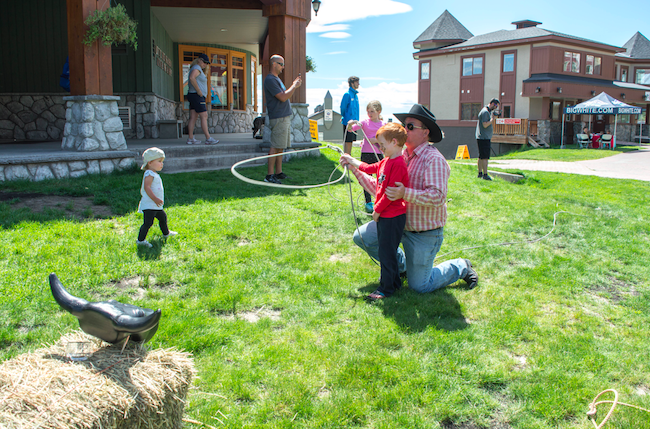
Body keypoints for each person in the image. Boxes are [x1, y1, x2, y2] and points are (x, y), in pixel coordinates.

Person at [340, 104, 478, 295]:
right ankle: (402, 267)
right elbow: (380, 188)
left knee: (420, 286)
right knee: (362, 237)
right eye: (405, 125)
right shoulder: (397, 155)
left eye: (411, 126)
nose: (405, 129)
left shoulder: (433, 159)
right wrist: (354, 167)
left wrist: (405, 193)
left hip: (423, 233)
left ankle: (461, 266)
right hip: (396, 224)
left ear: (425, 132)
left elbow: (437, 196)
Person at [341, 123, 409, 301]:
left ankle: (385, 289)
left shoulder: (399, 164)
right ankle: (394, 282)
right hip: (386, 216)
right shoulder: (386, 161)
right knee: (387, 251)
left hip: (393, 217)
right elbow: (367, 168)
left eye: (382, 144)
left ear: (394, 142)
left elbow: (390, 194)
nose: (379, 147)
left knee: (386, 252)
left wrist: (377, 211)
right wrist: (351, 160)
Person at [263, 54, 302, 184]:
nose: (283, 67)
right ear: (274, 64)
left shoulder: (276, 79)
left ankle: (278, 173)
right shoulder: (270, 80)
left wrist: (293, 87)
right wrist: (294, 86)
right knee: (275, 146)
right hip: (278, 117)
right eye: (281, 64)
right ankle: (269, 176)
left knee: (280, 146)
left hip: (283, 117)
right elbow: (283, 97)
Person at [349, 100, 386, 213]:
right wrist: (350, 123)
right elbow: (350, 129)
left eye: (372, 111)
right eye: (368, 111)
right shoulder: (364, 122)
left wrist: (375, 140)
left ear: (379, 111)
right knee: (366, 177)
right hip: (366, 153)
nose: (369, 114)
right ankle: (368, 201)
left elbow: (387, 138)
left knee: (381, 178)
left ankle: (380, 200)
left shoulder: (383, 125)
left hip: (379, 154)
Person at [137, 147, 177, 248]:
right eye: (159, 161)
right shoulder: (149, 174)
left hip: (155, 205)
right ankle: (140, 240)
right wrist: (155, 199)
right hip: (150, 204)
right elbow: (147, 187)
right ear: (150, 162)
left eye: (162, 161)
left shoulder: (154, 173)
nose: (161, 164)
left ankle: (166, 233)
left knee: (163, 218)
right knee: (148, 223)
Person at [186, 53, 219, 145]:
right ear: (199, 60)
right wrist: (199, 91)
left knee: (193, 117)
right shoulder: (197, 67)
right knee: (204, 116)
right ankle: (208, 138)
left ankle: (191, 138)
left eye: (207, 63)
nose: (205, 64)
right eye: (204, 62)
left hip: (193, 95)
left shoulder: (197, 68)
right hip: (197, 95)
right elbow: (192, 78)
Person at [475, 98, 500, 180]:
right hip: (484, 137)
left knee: (481, 156)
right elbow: (485, 124)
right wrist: (492, 119)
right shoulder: (485, 112)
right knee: (485, 157)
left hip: (481, 137)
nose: (496, 108)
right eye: (495, 106)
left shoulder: (486, 111)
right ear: (492, 103)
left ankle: (480, 173)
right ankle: (485, 175)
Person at [341, 76, 360, 155]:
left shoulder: (355, 95)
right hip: (348, 122)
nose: (358, 84)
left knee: (351, 141)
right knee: (347, 141)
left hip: (355, 123)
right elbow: (343, 108)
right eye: (357, 82)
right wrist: (344, 117)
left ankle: (349, 157)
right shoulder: (347, 94)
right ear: (352, 83)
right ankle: (346, 157)